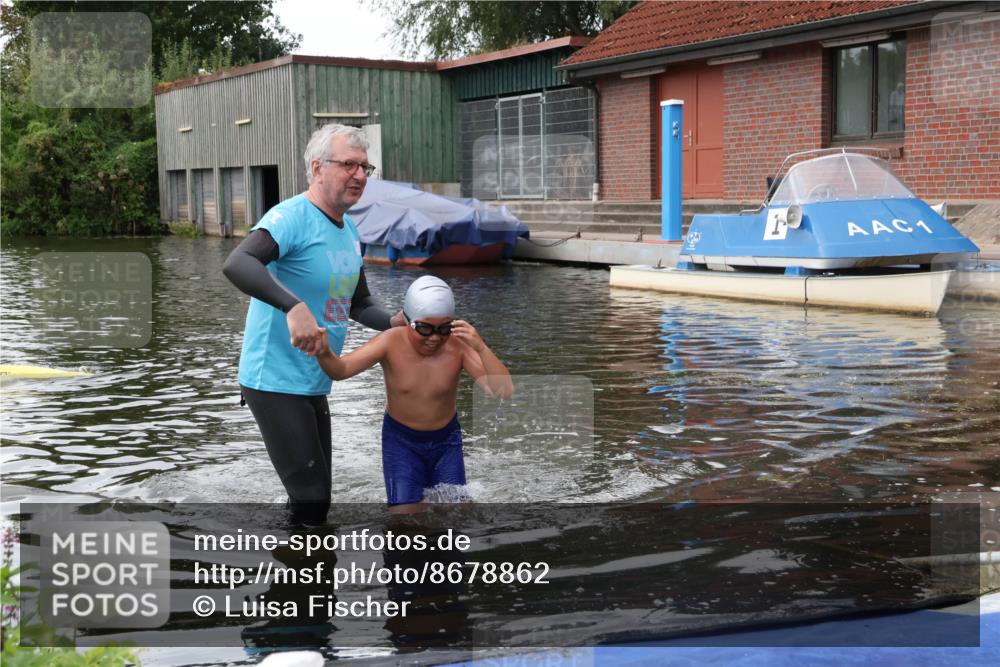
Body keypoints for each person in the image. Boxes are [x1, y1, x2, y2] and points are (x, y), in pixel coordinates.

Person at [223, 123, 405, 526]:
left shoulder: (350, 230)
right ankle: (300, 584)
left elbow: (358, 304)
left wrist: (397, 322)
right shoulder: (291, 217)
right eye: (349, 165)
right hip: (272, 378)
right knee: (313, 500)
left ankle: (299, 574)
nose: (359, 175)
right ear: (317, 167)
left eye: (365, 167)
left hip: (313, 378)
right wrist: (293, 306)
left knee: (314, 497)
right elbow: (238, 263)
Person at [315, 276, 514, 513]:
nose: (434, 338)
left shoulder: (459, 347)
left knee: (456, 516)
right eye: (425, 329)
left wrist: (480, 347)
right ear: (407, 321)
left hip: (446, 442)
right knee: (405, 522)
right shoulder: (389, 342)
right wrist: (323, 352)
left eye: (444, 329)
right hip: (401, 442)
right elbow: (341, 370)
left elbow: (502, 390)